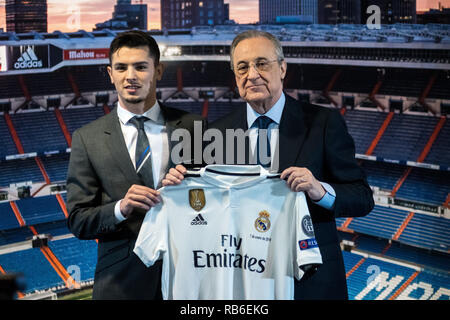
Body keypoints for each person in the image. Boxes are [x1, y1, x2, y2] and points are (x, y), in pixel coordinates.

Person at [162, 30, 374, 299]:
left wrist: (320, 190)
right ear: (235, 76)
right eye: (242, 67)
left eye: (262, 63)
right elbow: (197, 203)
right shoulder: (214, 134)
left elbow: (363, 197)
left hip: (311, 282)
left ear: (283, 68)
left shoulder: (323, 123)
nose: (252, 74)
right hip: (245, 282)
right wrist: (177, 183)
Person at [66, 30, 204, 299]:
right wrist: (121, 208)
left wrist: (190, 190)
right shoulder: (87, 139)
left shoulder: (194, 127)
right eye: (121, 67)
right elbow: (78, 220)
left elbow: (216, 200)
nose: (131, 76)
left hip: (188, 278)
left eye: (141, 66)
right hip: (120, 285)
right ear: (110, 74)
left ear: (158, 70)